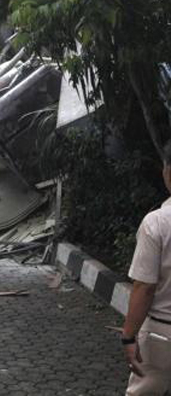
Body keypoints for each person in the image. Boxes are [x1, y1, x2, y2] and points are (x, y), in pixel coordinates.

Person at [123, 140, 171, 395]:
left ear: (167, 172)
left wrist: (128, 337)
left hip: (163, 335)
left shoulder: (157, 223)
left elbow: (144, 287)